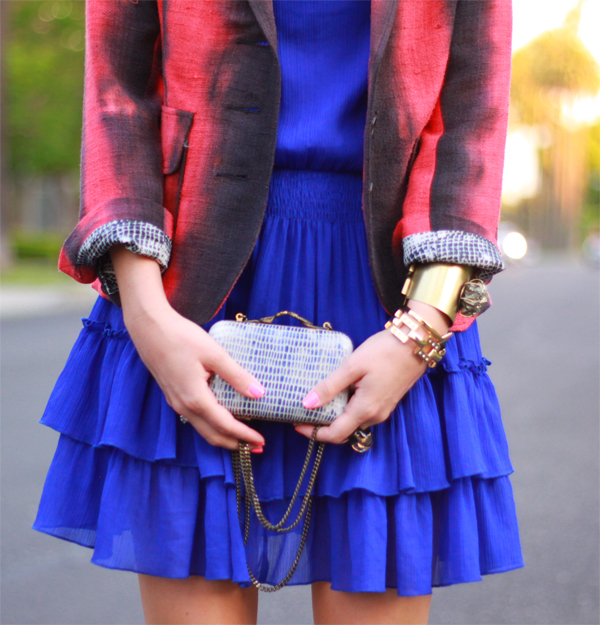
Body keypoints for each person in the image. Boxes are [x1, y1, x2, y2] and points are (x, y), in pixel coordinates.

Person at [33, 1, 524, 623]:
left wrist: (420, 329)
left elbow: (472, 106)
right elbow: (119, 89)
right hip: (189, 289)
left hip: (390, 296)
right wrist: (146, 314)